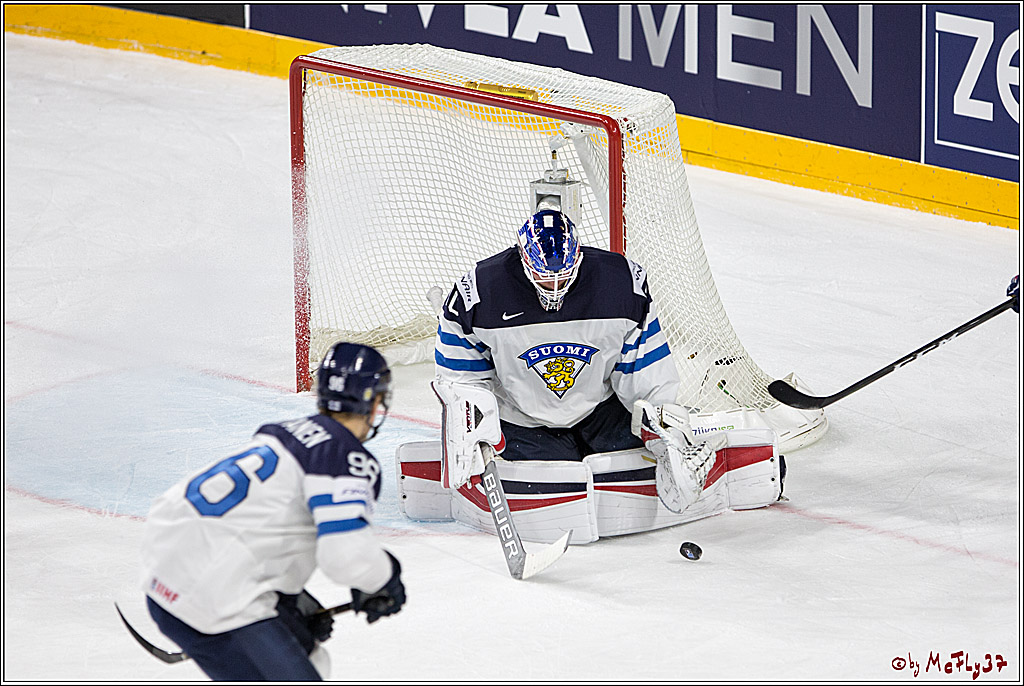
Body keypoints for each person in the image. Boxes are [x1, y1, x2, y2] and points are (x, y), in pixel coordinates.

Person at [139, 342, 406, 681]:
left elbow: (250, 522)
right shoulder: (346, 457)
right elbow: (347, 558)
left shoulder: (282, 434)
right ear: (373, 400)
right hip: (216, 601)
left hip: (162, 578)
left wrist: (291, 599)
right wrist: (384, 577)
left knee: (311, 657)